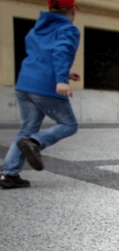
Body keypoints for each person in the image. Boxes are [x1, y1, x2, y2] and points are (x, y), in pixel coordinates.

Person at [0, 0, 80, 190]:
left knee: (26, 129)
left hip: (25, 84)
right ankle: (35, 142)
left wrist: (64, 73)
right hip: (46, 86)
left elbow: (41, 55)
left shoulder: (37, 28)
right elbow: (61, 51)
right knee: (69, 124)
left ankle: (9, 175)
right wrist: (61, 79)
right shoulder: (68, 29)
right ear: (73, 10)